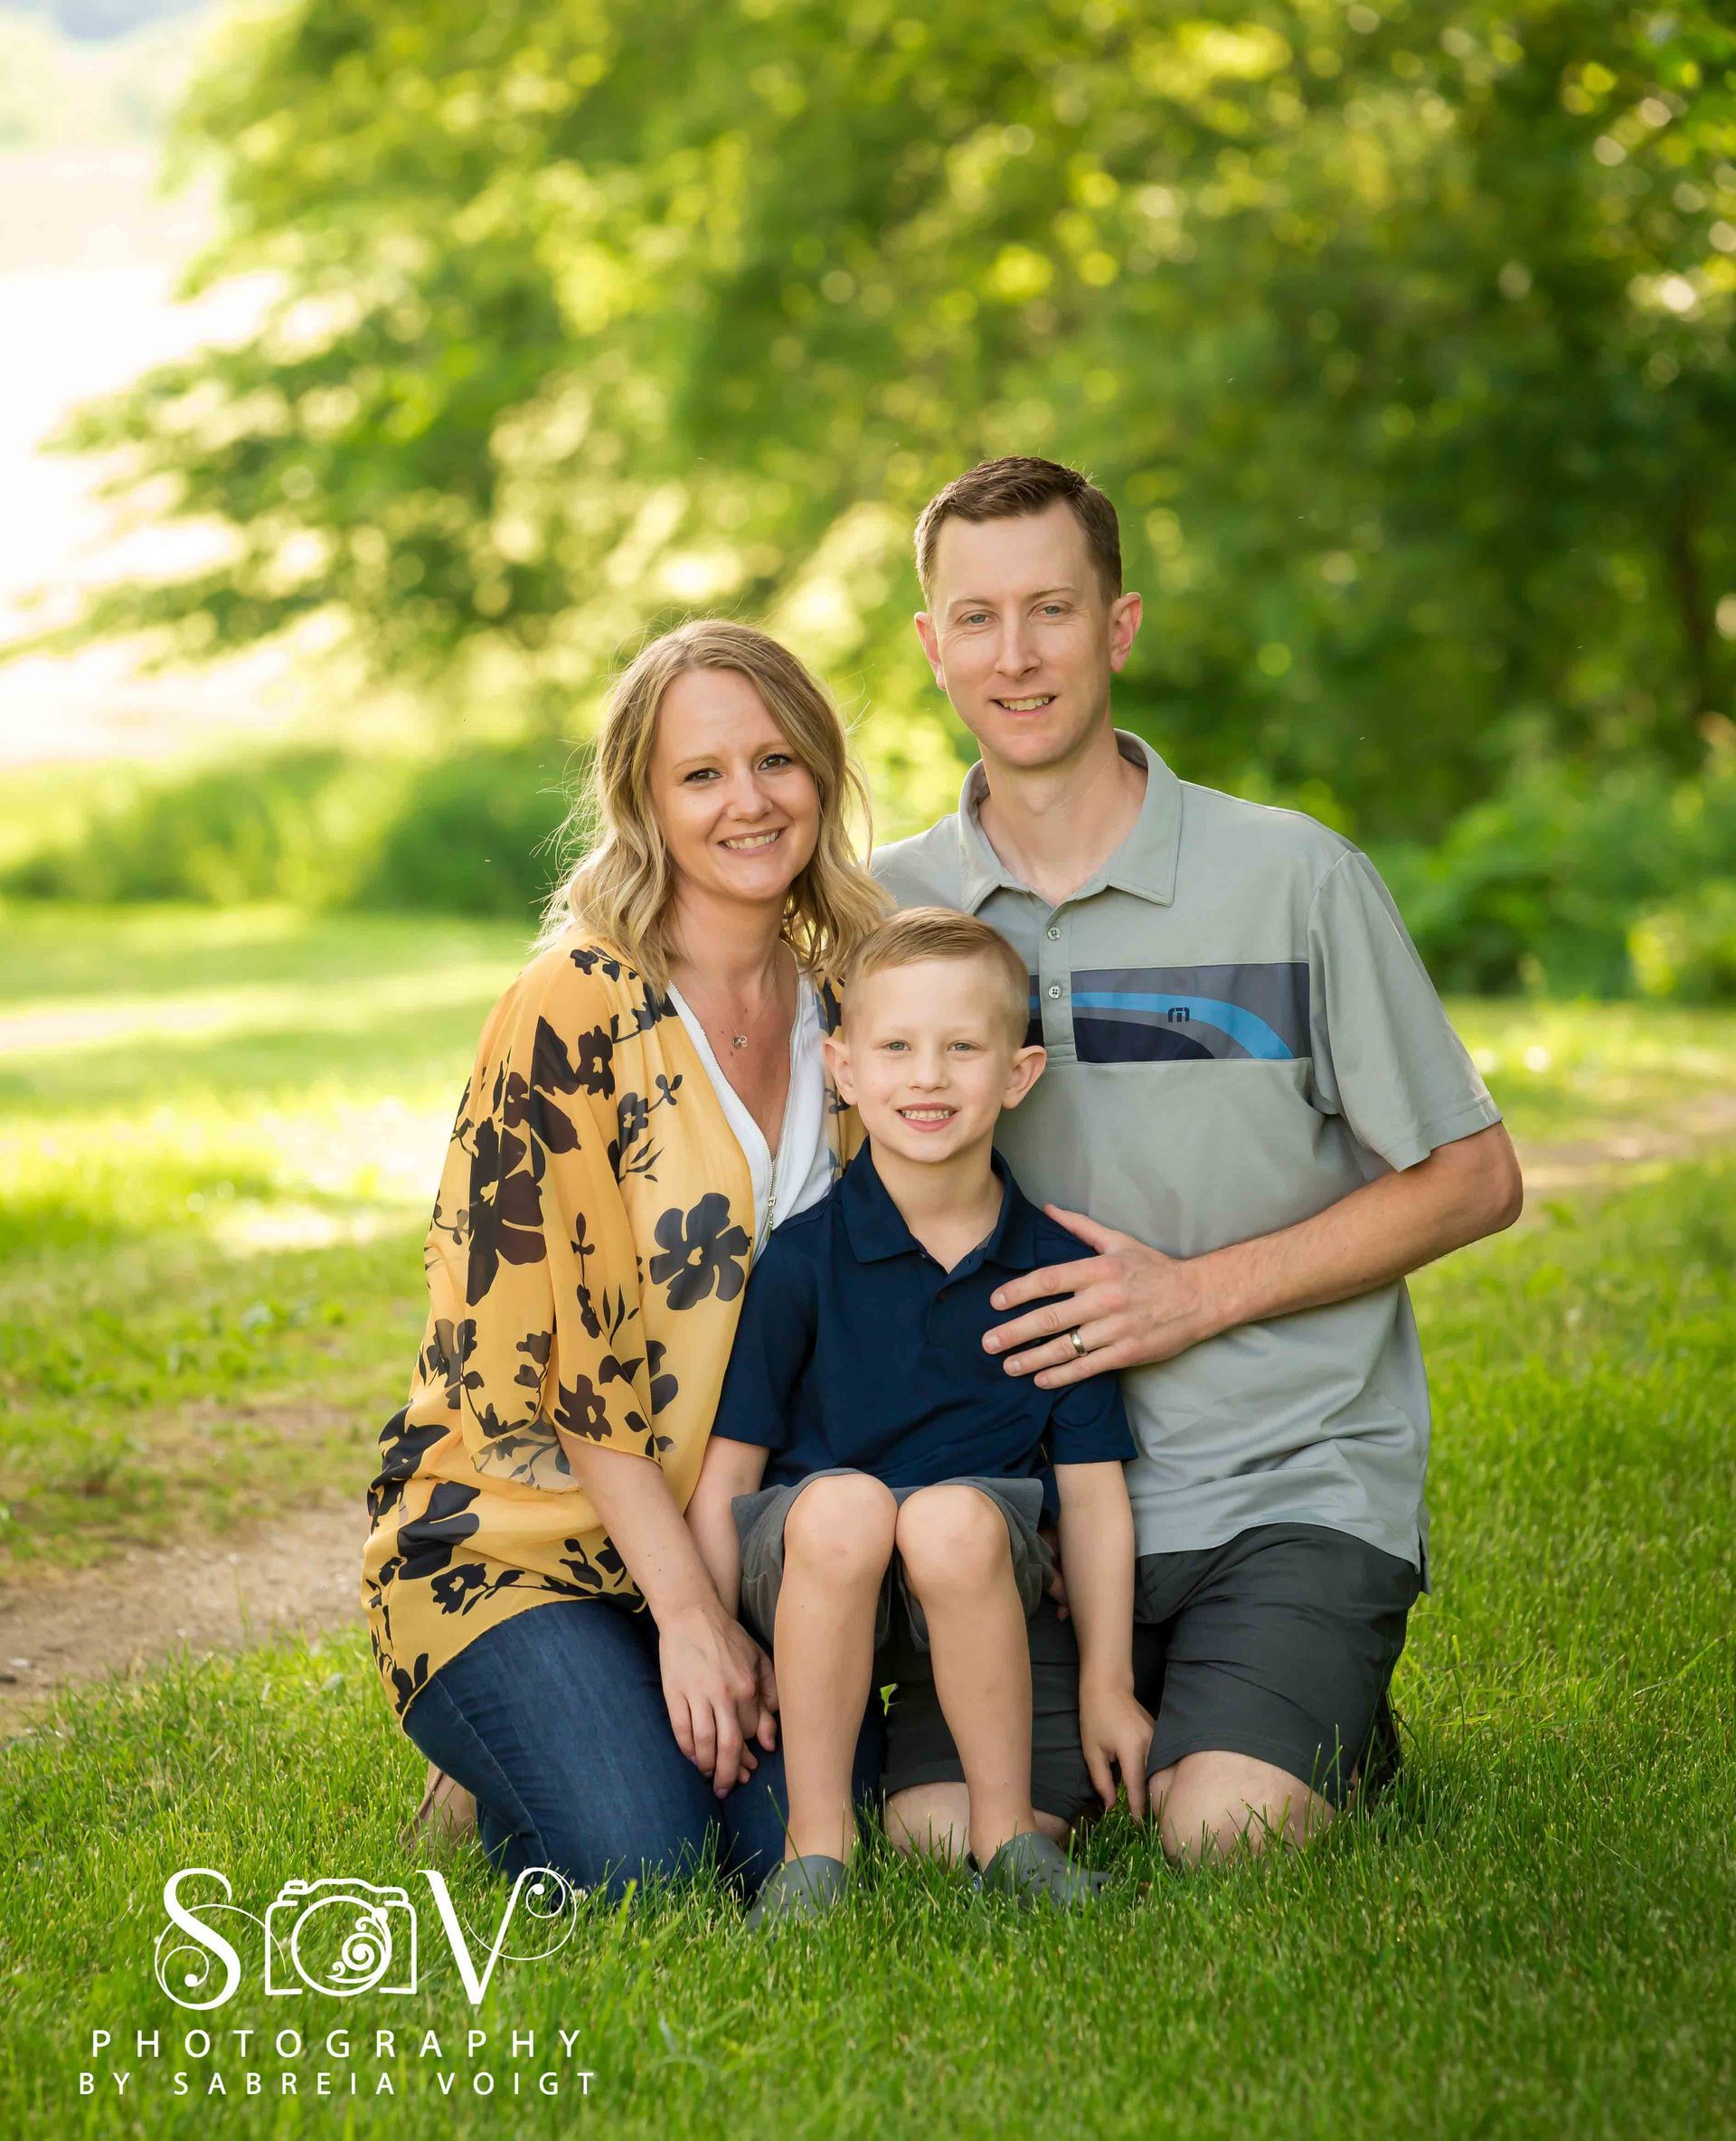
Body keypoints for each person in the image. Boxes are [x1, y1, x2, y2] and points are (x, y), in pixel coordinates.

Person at [873, 457, 1525, 1864]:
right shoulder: (888, 910)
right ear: (931, 647)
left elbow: (1477, 1177)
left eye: (1053, 609)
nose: (1017, 654)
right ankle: (1194, 1702)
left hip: (1285, 1475)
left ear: (1120, 625)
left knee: (1224, 1831)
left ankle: (1294, 1706)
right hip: (1018, 1503)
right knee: (932, 1836)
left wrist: (1194, 1296)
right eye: (976, 619)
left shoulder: (1292, 876)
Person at [359, 618, 887, 1901]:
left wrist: (747, 1596)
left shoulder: (854, 1009)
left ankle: (596, 1717)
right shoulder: (575, 1004)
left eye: (777, 762)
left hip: (739, 1539)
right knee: (646, 1863)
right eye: (701, 774)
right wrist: (692, 1625)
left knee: (791, 1851)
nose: (749, 803)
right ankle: (500, 1736)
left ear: (821, 772)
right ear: (645, 803)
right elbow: (562, 1367)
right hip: (523, 1535)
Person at [684, 910, 1146, 1922]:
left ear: (1019, 1074)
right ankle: (817, 1855)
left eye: (961, 1048)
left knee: (947, 1515)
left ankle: (1008, 1839)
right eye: (895, 1048)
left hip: (974, 1576)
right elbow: (729, 1474)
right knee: (847, 1508)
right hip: (812, 1568)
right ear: (843, 1068)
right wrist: (713, 1634)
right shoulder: (802, 1261)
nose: (926, 1077)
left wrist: (1108, 1684)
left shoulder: (1056, 1274)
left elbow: (1095, 1496)